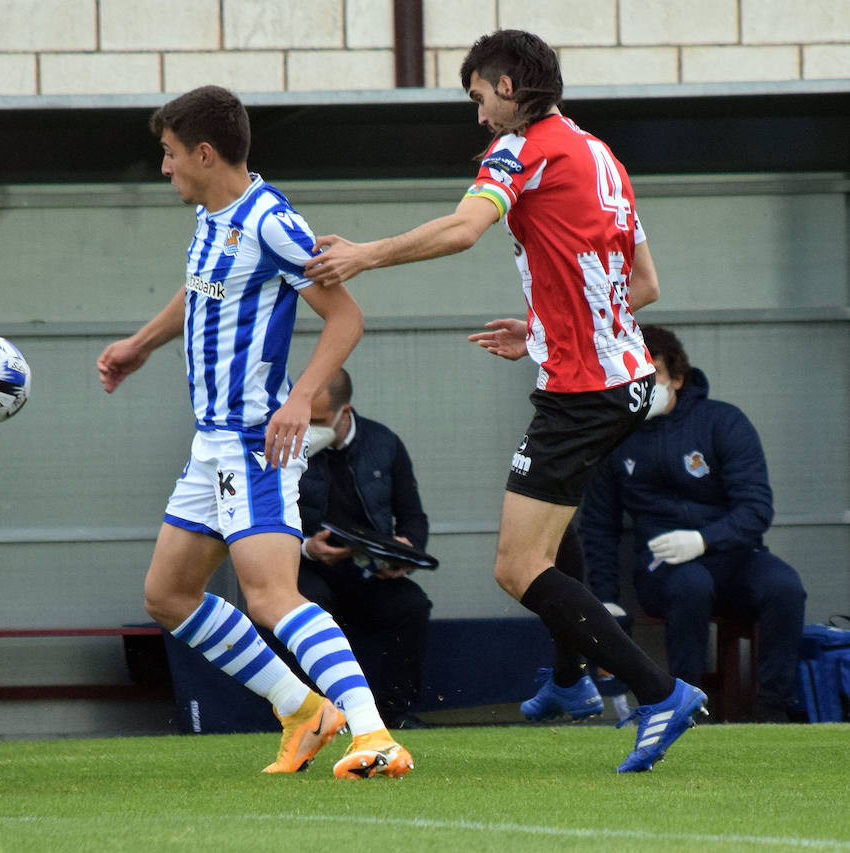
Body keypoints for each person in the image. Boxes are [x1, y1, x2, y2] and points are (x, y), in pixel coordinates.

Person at [302, 30, 706, 772]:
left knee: (518, 566)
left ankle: (659, 692)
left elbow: (462, 229)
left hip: (584, 391)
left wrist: (364, 254)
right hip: (620, 377)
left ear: (510, 87)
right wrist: (544, 325)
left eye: (479, 95)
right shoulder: (599, 154)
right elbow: (643, 284)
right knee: (556, 528)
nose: (479, 113)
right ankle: (565, 681)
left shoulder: (523, 149)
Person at [97, 85, 412, 779]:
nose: (164, 168)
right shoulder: (214, 217)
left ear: (205, 154)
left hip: (252, 443)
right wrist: (142, 343)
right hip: (211, 442)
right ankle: (303, 710)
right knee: (169, 595)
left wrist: (300, 398)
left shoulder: (274, 223)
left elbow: (346, 318)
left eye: (170, 154)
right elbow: (202, 289)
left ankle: (373, 732)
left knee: (271, 595)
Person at [580, 325, 806, 721]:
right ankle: (684, 709)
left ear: (677, 379)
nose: (643, 387)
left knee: (785, 587)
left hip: (735, 557)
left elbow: (756, 508)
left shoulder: (723, 422)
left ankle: (775, 709)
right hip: (662, 568)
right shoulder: (612, 437)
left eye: (653, 376)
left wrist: (704, 539)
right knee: (691, 584)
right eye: (632, 377)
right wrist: (606, 596)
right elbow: (599, 526)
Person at [290, 368, 433, 729]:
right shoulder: (288, 443)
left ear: (345, 412)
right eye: (306, 417)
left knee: (412, 605)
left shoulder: (384, 443)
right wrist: (307, 549)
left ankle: (394, 713)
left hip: (368, 572)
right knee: (309, 607)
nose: (310, 428)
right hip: (308, 569)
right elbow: (264, 525)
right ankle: (316, 719)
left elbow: (414, 518)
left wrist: (405, 553)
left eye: (319, 420)